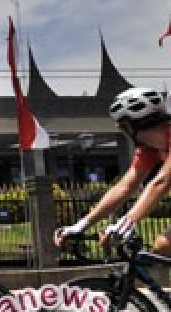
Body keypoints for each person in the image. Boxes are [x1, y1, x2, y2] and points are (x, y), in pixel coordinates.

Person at [55, 87, 171, 255]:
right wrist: (81, 225)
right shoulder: (150, 149)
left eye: (122, 128)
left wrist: (128, 222)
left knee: (164, 245)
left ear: (130, 126)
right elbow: (124, 187)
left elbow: (161, 182)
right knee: (163, 247)